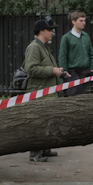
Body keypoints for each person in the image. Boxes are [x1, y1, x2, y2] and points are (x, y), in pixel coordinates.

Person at [26, 19, 65, 162]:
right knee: (39, 122)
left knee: (47, 120)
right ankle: (35, 153)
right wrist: (52, 70)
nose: (52, 33)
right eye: (49, 30)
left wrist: (58, 71)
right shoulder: (34, 47)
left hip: (46, 91)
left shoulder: (43, 47)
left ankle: (44, 148)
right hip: (38, 91)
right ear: (41, 31)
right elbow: (30, 69)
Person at [58, 11, 93, 98]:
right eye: (81, 20)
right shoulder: (66, 38)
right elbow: (63, 55)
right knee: (73, 94)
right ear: (73, 21)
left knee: (82, 94)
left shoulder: (86, 36)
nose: (84, 23)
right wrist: (64, 70)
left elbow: (91, 52)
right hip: (72, 71)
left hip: (85, 70)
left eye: (84, 20)